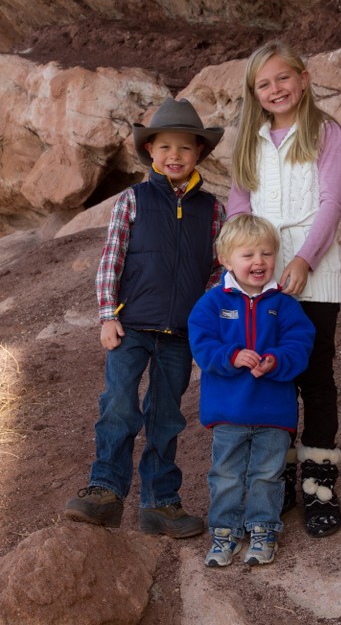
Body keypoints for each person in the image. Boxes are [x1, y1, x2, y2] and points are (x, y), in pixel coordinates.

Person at [64, 97, 225, 538]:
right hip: (130, 325)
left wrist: (206, 317)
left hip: (180, 334)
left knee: (167, 415)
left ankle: (160, 503)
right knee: (118, 406)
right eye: (165, 147)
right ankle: (104, 491)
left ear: (199, 154)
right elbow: (111, 259)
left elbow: (217, 269)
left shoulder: (211, 210)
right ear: (150, 151)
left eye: (185, 148)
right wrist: (105, 315)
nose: (175, 156)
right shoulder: (132, 200)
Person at [227, 40, 341, 538]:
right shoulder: (249, 142)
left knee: (315, 376)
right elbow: (239, 207)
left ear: (302, 79)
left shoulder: (324, 132)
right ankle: (279, 476)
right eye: (264, 84)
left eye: (283, 78)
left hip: (314, 273)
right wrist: (239, 270)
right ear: (254, 94)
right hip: (260, 275)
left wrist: (304, 258)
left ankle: (321, 482)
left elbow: (331, 203)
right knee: (271, 374)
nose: (275, 89)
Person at [188, 214, 315, 567]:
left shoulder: (285, 305)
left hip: (274, 412)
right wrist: (231, 355)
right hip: (228, 411)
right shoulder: (212, 304)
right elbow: (201, 344)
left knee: (267, 474)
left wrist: (275, 360)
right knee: (226, 474)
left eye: (266, 253)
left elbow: (300, 344)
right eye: (248, 255)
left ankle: (263, 529)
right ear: (226, 260)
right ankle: (225, 533)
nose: (258, 262)